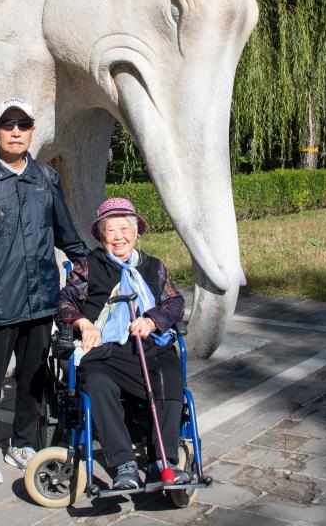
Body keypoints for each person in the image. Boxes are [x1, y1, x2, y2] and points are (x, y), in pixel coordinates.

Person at [0, 97, 88, 485]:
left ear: (32, 132)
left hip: (41, 302)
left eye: (23, 125)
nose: (16, 131)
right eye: (8, 124)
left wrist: (93, 266)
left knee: (33, 380)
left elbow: (66, 233)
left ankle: (22, 442)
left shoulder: (46, 179)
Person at [58, 197, 189, 490]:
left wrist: (152, 320)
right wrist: (83, 323)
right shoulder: (88, 265)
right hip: (104, 350)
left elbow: (175, 302)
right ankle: (123, 465)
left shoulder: (153, 267)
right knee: (97, 382)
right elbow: (65, 301)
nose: (119, 236)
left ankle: (163, 462)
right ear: (101, 235)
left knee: (170, 374)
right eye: (111, 230)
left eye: (125, 228)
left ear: (136, 232)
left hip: (149, 347)